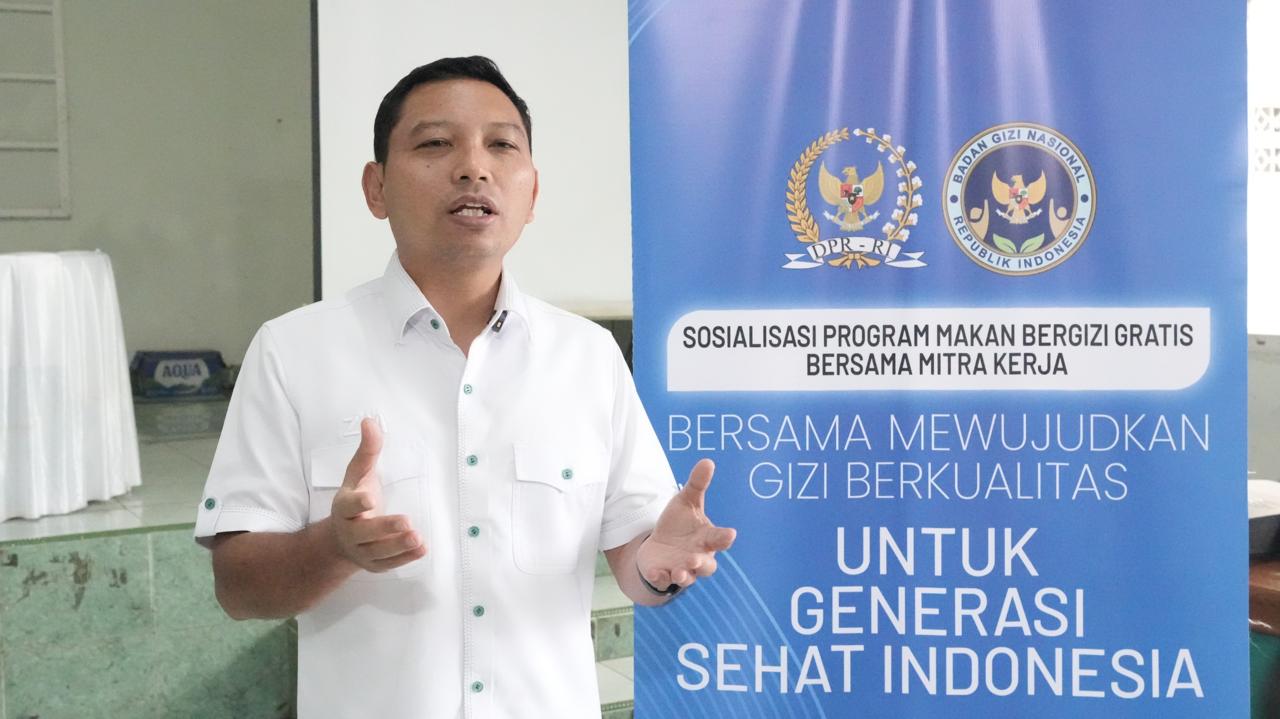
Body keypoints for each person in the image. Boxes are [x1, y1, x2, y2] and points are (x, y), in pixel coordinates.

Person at [195, 56, 736, 718]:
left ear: (532, 194)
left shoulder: (588, 356)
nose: (474, 168)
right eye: (435, 143)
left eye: (501, 145)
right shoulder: (292, 351)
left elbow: (638, 564)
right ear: (375, 187)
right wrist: (333, 546)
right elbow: (238, 588)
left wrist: (663, 562)